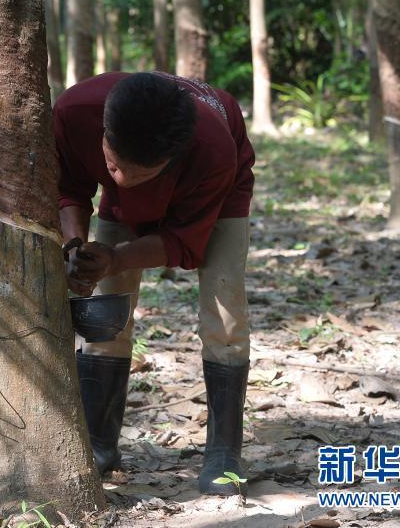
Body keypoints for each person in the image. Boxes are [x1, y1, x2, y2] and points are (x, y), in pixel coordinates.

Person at [54, 71, 255, 496]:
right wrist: (75, 245)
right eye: (113, 164)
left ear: (174, 156)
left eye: (139, 172)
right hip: (133, 183)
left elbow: (185, 243)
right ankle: (99, 443)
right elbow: (68, 187)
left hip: (218, 194)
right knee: (107, 311)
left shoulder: (213, 150)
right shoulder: (75, 112)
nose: (123, 178)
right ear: (104, 129)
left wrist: (119, 256)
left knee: (225, 309)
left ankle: (224, 453)